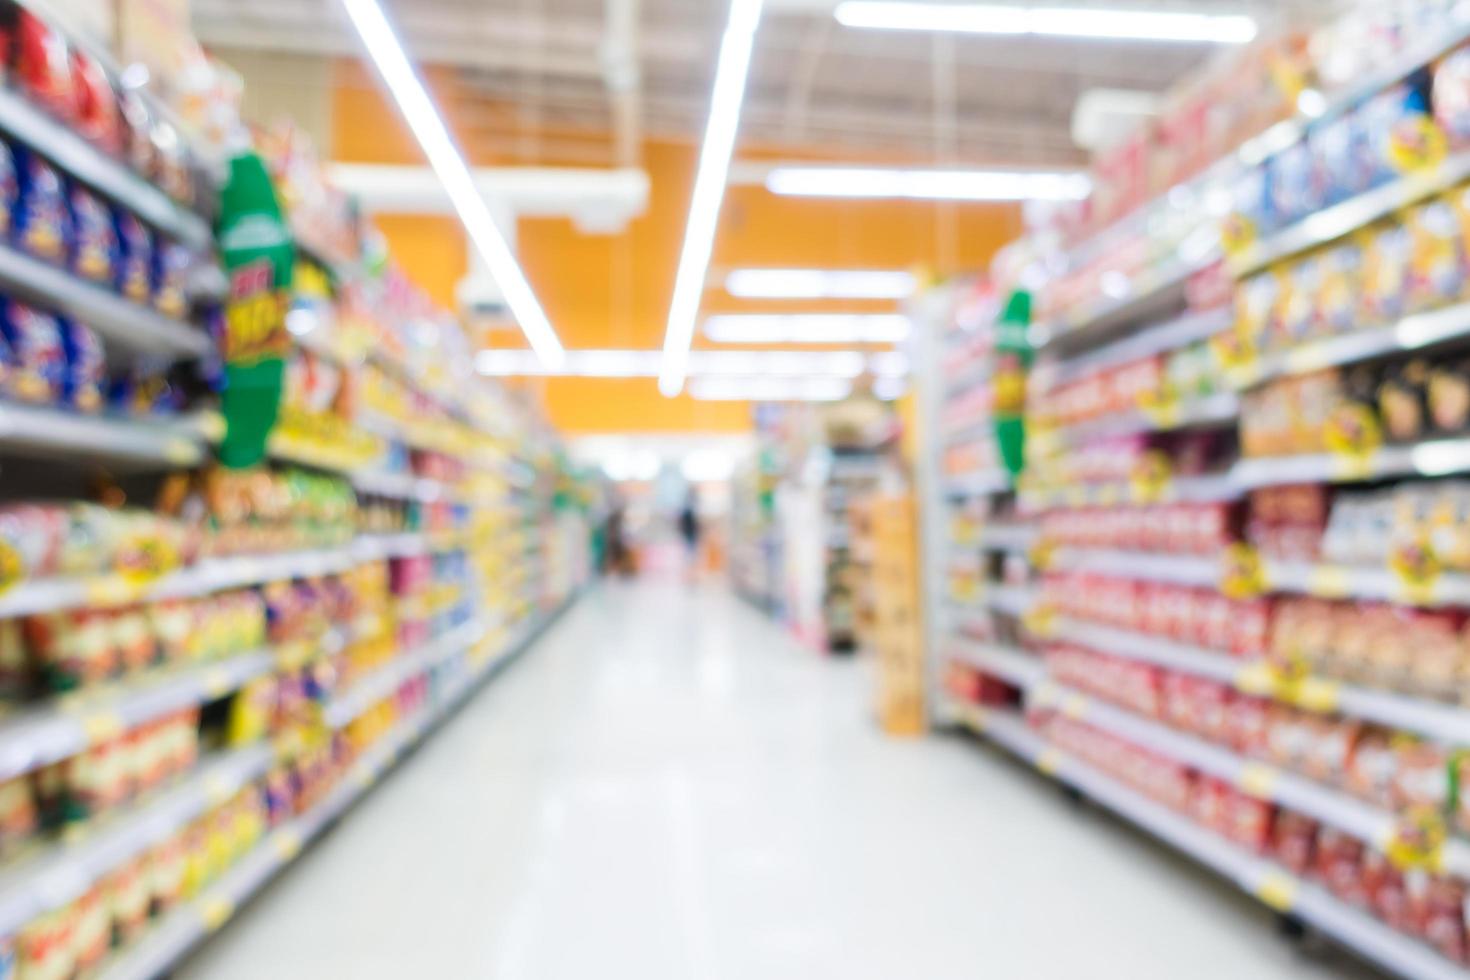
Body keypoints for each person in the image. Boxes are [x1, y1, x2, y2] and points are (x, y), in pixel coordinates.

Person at [678, 491, 700, 577]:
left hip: (690, 535)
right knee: (690, 555)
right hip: (689, 535)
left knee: (690, 555)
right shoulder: (688, 510)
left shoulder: (688, 510)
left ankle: (690, 572)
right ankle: (689, 573)